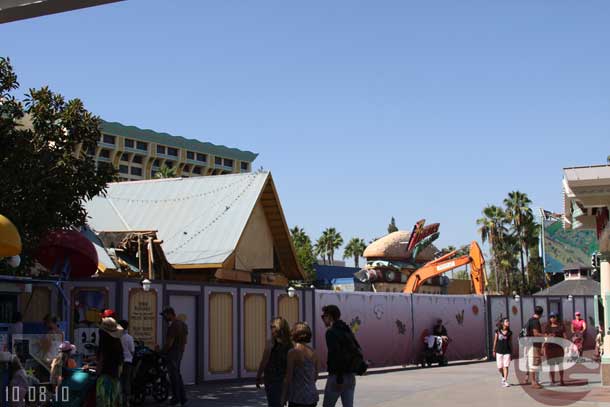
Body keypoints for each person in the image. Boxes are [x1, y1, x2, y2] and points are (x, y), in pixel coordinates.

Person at [321, 304, 361, 407]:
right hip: (350, 376)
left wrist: (339, 379)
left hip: (337, 376)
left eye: (324, 316)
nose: (323, 319)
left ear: (330, 317)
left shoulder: (330, 332)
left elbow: (336, 355)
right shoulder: (347, 330)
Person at [256, 317, 293, 407]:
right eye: (271, 327)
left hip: (273, 379)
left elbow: (264, 361)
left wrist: (258, 376)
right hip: (281, 379)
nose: (272, 330)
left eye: (273, 327)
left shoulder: (271, 343)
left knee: (274, 403)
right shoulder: (290, 343)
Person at [282, 322, 319, 407]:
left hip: (297, 398)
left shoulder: (293, 352)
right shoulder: (314, 353)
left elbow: (288, 377)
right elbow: (315, 377)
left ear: (294, 334)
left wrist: (284, 396)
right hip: (312, 396)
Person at [160, 306, 188, 406]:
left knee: (173, 376)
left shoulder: (173, 326)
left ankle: (176, 399)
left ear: (170, 314)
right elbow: (185, 342)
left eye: (165, 315)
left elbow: (169, 343)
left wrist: (162, 352)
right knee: (178, 375)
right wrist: (181, 352)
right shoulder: (183, 325)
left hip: (172, 353)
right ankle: (183, 397)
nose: (164, 318)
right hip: (180, 352)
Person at [96, 316, 124, 407]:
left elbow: (102, 358)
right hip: (115, 376)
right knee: (113, 401)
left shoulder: (104, 340)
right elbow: (120, 362)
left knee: (104, 402)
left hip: (105, 376)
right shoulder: (117, 343)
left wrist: (97, 372)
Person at [524, 306, 545, 389]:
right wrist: (545, 335)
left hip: (531, 344)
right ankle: (533, 382)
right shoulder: (535, 321)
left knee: (535, 363)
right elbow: (535, 333)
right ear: (541, 314)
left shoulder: (530, 320)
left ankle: (534, 381)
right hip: (534, 345)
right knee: (534, 363)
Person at [544, 312, 567, 386]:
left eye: (554, 317)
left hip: (559, 348)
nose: (552, 318)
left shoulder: (561, 326)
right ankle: (552, 380)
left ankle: (561, 379)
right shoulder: (547, 327)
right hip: (549, 348)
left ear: (557, 318)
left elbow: (565, 337)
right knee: (551, 365)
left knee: (560, 365)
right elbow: (545, 337)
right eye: (551, 317)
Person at [492, 318, 512, 387]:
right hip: (499, 351)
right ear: (503, 323)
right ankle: (503, 376)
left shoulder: (510, 332)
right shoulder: (497, 331)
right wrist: (494, 350)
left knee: (506, 366)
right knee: (499, 367)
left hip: (507, 351)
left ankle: (505, 381)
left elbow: (510, 342)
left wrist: (511, 352)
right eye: (506, 321)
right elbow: (495, 341)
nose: (508, 322)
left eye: (508, 321)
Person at [119, 319, 135, 403]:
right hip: (128, 361)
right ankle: (127, 400)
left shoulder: (117, 337)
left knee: (120, 379)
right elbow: (132, 350)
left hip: (119, 362)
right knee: (127, 380)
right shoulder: (129, 338)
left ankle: (120, 398)